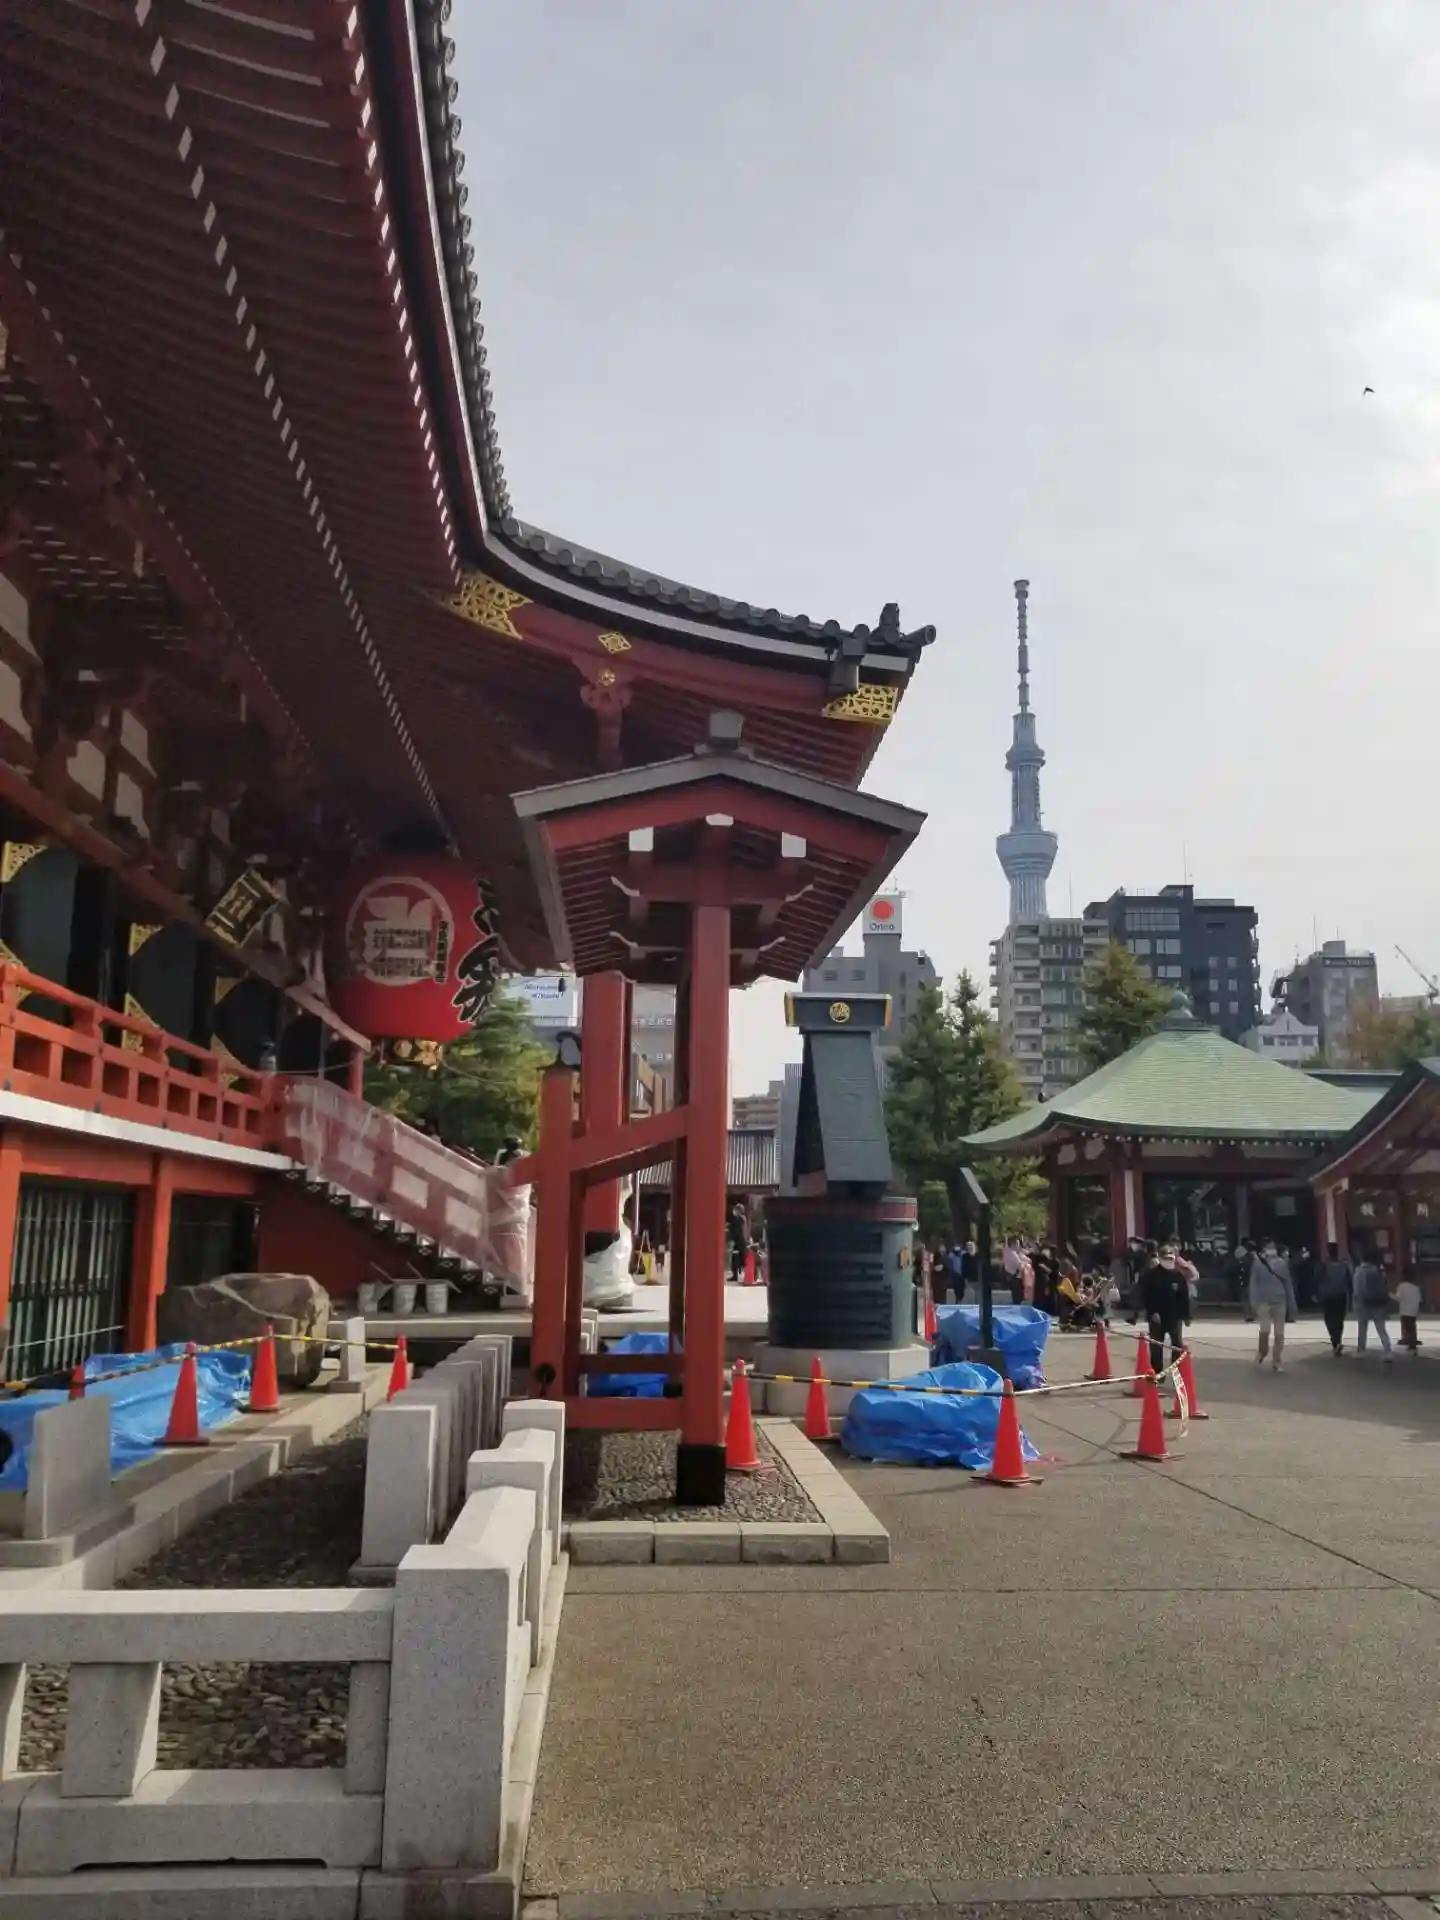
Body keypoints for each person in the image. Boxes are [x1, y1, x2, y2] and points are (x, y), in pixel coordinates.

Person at [1140, 1243, 1191, 1380]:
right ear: (1160, 1258)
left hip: (1174, 1317)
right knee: (1156, 1346)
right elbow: (1145, 1296)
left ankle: (1175, 1372)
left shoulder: (1178, 1276)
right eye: (1166, 1258)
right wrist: (1152, 1312)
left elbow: (1184, 1297)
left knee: (1177, 1345)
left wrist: (1187, 1316)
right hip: (1157, 1317)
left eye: (1171, 1258)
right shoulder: (1152, 1275)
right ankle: (1157, 1374)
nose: (1169, 1261)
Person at [1247, 1237, 1296, 1372]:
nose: (1271, 1249)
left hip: (1280, 1301)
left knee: (1279, 1334)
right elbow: (1253, 1284)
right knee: (1265, 1329)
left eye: (1273, 1247)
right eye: (1268, 1247)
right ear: (1263, 1249)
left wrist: (1292, 1302)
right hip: (1264, 1301)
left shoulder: (1282, 1263)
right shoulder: (1258, 1264)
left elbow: (1287, 1283)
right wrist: (1253, 1301)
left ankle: (1277, 1361)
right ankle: (1262, 1351)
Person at [1353, 1251, 1394, 1360]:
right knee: (1381, 1328)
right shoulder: (1378, 1271)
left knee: (1362, 1327)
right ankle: (1388, 1351)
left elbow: (1357, 1290)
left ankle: (1361, 1350)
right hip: (1378, 1303)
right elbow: (1385, 1286)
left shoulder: (1359, 1271)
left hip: (1363, 1303)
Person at [1315, 1243, 1354, 1355]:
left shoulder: (1324, 1266)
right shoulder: (1344, 1266)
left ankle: (1335, 1341)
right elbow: (1349, 1282)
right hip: (1341, 1295)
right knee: (1339, 1319)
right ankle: (1338, 1340)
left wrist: (1317, 1293)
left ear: (1328, 1252)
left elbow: (1317, 1278)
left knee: (1329, 1319)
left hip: (1328, 1296)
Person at [1396, 1273, 1422, 1353]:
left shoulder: (1401, 1286)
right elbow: (1419, 1300)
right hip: (1413, 1311)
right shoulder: (1416, 1288)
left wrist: (1389, 1295)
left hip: (1405, 1311)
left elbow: (1398, 1298)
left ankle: (1411, 1343)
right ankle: (1412, 1341)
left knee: (1408, 1327)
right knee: (1411, 1326)